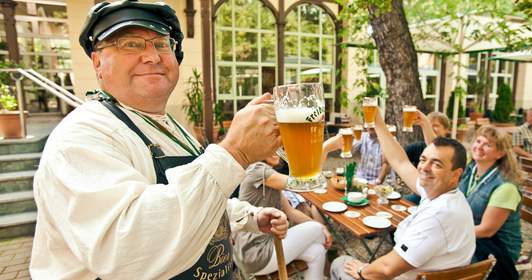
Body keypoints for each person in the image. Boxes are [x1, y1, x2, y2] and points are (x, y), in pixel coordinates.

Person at [30, 1, 288, 279]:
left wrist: (247, 217)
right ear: (97, 63)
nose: (152, 56)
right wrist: (234, 152)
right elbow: (127, 251)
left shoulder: (170, 126)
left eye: (161, 44)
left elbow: (188, 194)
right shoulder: (81, 136)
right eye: (130, 44)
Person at [331, 112, 475, 280]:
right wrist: (377, 119)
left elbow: (386, 269)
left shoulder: (438, 215)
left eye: (436, 164)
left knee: (340, 263)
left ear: (455, 174)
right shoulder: (446, 194)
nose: (424, 167)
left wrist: (362, 270)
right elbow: (400, 161)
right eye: (423, 159)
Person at [234, 136, 342, 279]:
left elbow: (291, 212)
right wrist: (325, 148)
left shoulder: (269, 178)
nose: (276, 151)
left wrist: (322, 228)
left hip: (262, 249)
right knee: (316, 230)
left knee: (316, 251)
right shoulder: (257, 170)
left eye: (278, 148)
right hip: (256, 254)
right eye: (270, 147)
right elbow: (304, 183)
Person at [459, 126, 522, 279]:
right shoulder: (471, 169)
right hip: (470, 235)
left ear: (500, 153)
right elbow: (441, 151)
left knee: (438, 256)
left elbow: (486, 230)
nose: (479, 147)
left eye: (487, 144)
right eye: (478, 141)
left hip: (496, 248)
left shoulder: (506, 187)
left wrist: (448, 233)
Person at [404, 111, 447, 204]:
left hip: (438, 199)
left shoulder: (451, 150)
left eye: (436, 125)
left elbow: (436, 148)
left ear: (446, 129)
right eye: (429, 126)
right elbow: (399, 161)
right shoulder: (417, 146)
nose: (431, 129)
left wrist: (424, 123)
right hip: (420, 194)